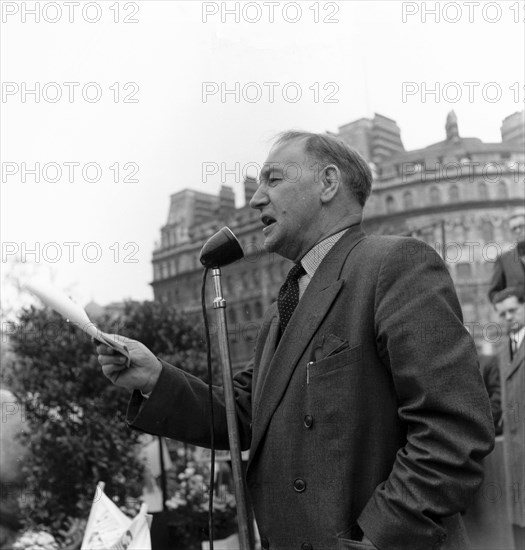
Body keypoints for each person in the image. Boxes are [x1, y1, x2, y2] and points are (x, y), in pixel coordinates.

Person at [97, 132, 494, 550]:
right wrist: (154, 378)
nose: (256, 199)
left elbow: (454, 429)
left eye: (273, 179)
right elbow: (243, 412)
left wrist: (376, 539)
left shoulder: (395, 265)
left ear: (327, 183)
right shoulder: (283, 306)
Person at [492, 287, 525, 549]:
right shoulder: (504, 349)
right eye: (502, 313)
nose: (509, 317)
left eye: (513, 310)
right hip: (514, 454)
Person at [488, 208, 525, 302]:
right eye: (514, 229)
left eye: (521, 226)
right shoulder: (504, 260)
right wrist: (510, 298)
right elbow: (494, 294)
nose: (518, 231)